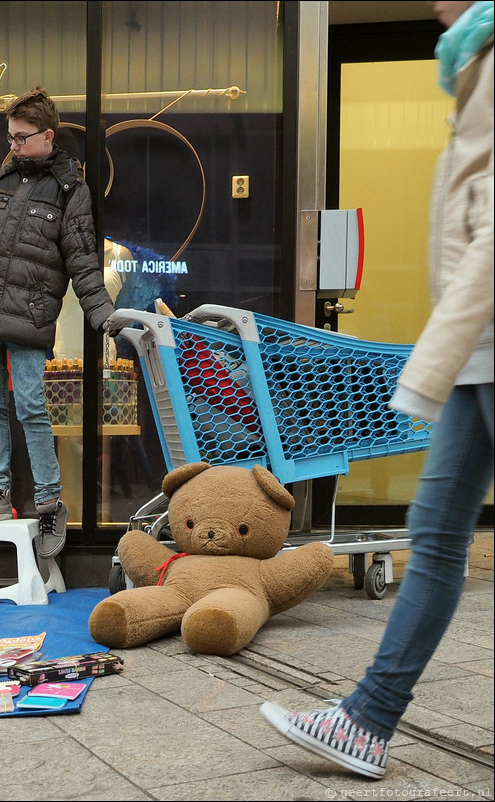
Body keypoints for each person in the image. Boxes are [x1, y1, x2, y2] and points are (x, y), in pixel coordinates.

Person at [259, 1, 493, 780]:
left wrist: (427, 364)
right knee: (433, 536)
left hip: (481, 345)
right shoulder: (474, 57)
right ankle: (365, 721)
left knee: (433, 540)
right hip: (476, 354)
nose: (433, 1)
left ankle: (367, 717)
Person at [0, 87, 114, 559]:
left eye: (20, 137)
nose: (12, 145)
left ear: (47, 135)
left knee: (32, 408)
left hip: (30, 320)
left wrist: (102, 315)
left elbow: (83, 259)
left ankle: (50, 500)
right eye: (9, 137)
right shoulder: (0, 178)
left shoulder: (70, 189)